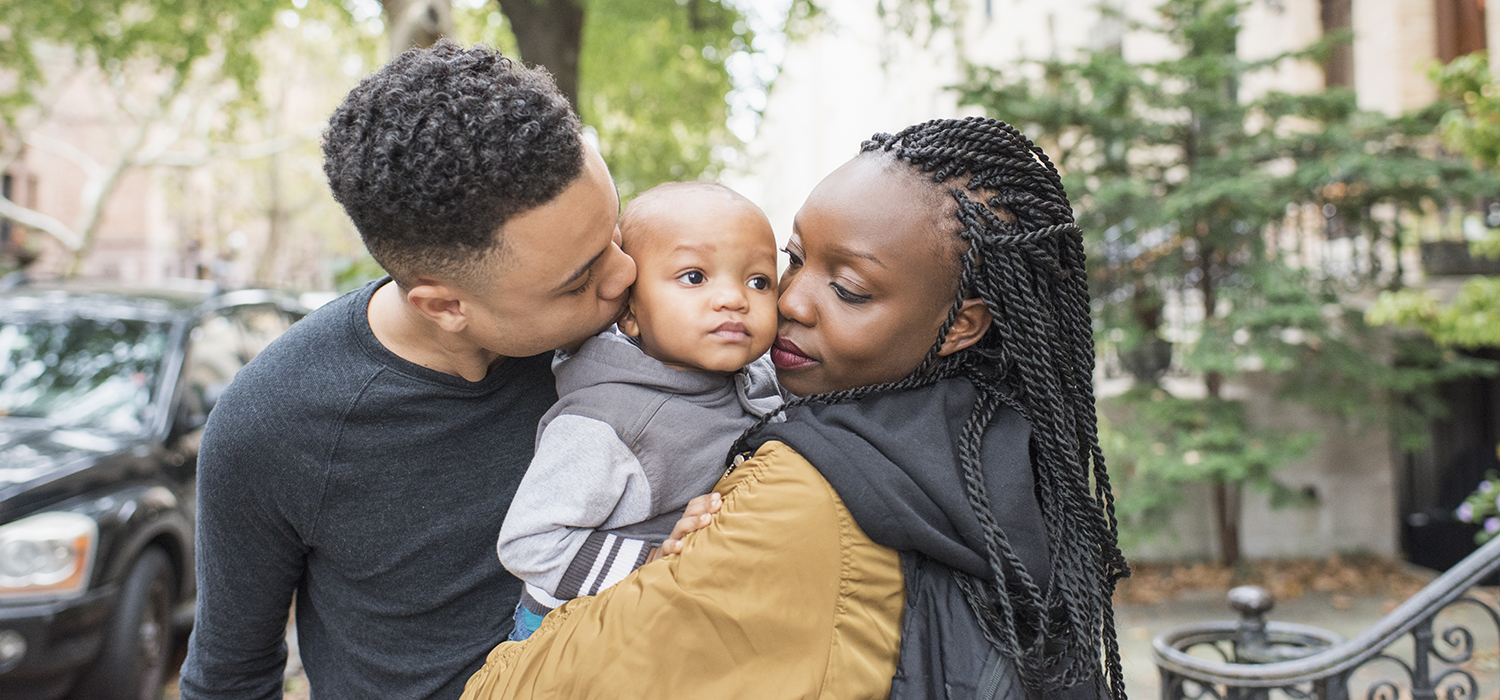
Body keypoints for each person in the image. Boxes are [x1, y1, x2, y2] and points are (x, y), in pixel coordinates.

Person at [459, 117, 1129, 700]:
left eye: (847, 289)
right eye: (793, 259)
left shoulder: (800, 495)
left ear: (962, 325)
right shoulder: (998, 438)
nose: (788, 302)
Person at [179, 42, 637, 700]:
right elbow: (228, 681)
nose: (626, 276)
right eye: (580, 280)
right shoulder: (272, 428)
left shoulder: (642, 327)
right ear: (444, 305)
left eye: (614, 234)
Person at [496, 182, 782, 641]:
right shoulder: (608, 421)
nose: (735, 298)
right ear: (629, 313)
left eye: (758, 281)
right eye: (694, 277)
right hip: (575, 632)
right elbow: (529, 543)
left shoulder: (756, 375)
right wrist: (651, 562)